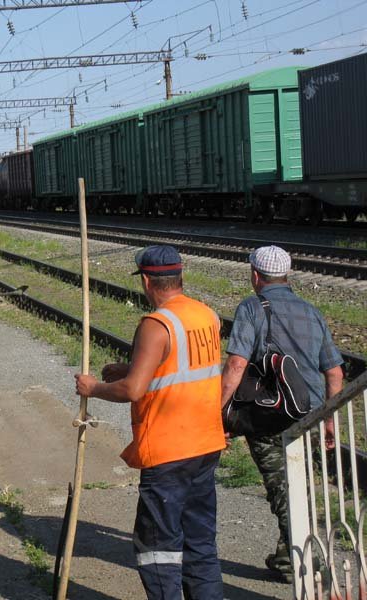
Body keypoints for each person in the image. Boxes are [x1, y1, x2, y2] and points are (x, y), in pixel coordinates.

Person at [75, 245, 226, 600]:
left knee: (158, 547)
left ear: (146, 281)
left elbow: (133, 390)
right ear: (180, 276)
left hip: (169, 451)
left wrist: (93, 387)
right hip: (206, 444)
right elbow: (181, 367)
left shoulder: (156, 324)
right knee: (200, 542)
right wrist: (127, 368)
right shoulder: (207, 315)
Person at [221, 245, 343, 581]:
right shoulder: (311, 311)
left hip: (270, 417)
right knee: (296, 486)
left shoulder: (251, 307)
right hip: (312, 416)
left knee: (282, 490)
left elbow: (235, 365)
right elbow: (334, 374)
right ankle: (287, 557)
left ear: (256, 276)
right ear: (287, 275)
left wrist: (219, 412)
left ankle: (310, 566)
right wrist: (329, 421)